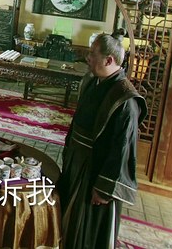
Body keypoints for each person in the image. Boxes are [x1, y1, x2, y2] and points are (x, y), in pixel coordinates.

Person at [58, 31, 148, 249]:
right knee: (67, 217)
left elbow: (122, 150)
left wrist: (105, 188)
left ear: (108, 60)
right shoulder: (92, 81)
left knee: (87, 227)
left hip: (96, 171)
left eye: (92, 54)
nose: (88, 57)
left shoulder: (125, 100)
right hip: (78, 161)